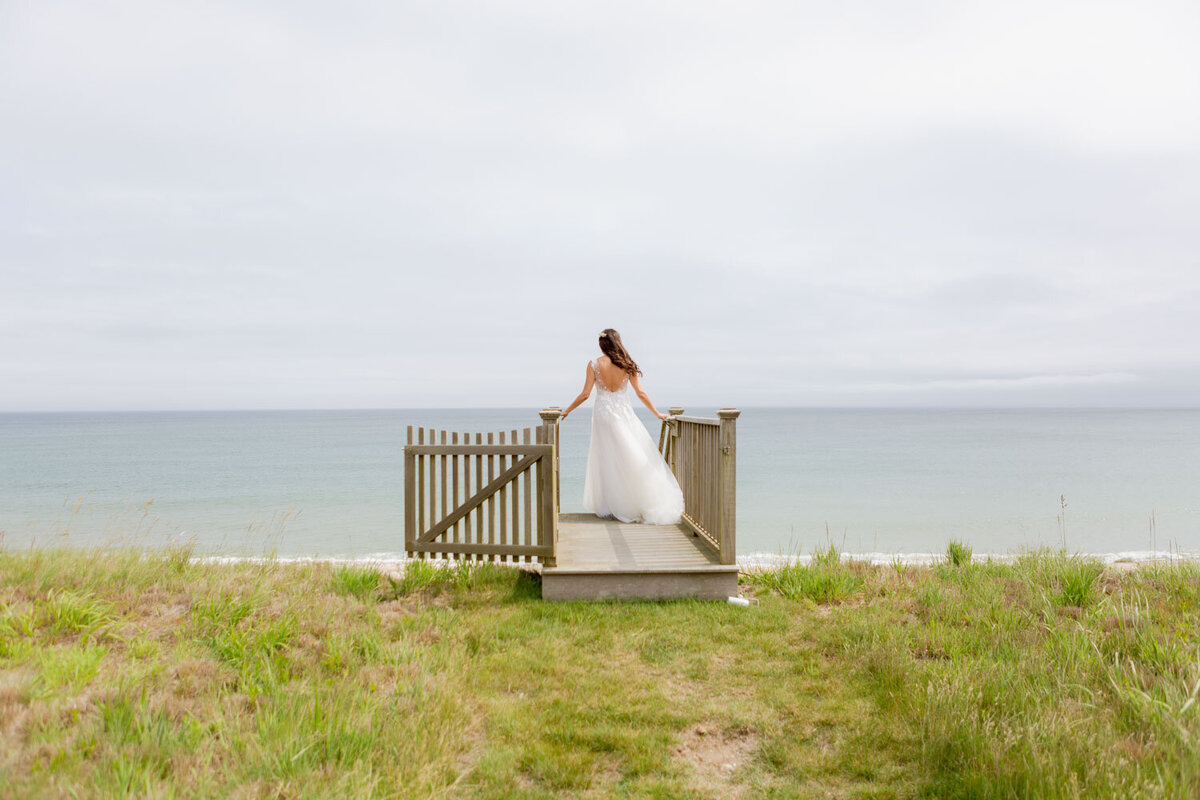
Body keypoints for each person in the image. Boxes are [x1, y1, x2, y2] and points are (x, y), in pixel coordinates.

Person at [559, 328, 685, 524]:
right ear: (617, 342)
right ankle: (636, 500)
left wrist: (567, 410)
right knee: (630, 454)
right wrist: (657, 413)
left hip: (602, 415)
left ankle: (611, 506)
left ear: (602, 344)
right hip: (623, 413)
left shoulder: (594, 364)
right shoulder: (626, 365)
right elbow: (641, 393)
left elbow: (585, 394)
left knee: (607, 458)